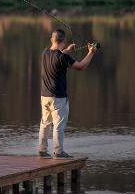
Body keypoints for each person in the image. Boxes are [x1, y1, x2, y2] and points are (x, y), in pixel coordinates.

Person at [38, 28, 97, 158]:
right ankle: (58, 152)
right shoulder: (63, 57)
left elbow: (57, 55)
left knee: (45, 123)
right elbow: (81, 66)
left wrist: (67, 51)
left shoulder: (45, 52)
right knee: (58, 125)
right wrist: (91, 53)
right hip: (58, 98)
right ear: (64, 41)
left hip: (44, 96)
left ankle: (42, 150)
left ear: (52, 40)